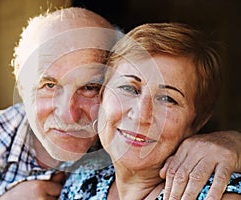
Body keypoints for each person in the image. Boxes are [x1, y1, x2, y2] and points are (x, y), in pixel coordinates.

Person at [0, 7, 240, 200]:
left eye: (89, 87)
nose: (68, 113)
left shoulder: (133, 141)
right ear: (20, 82)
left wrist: (232, 143)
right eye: (48, 85)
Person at [60, 23, 241, 199]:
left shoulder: (219, 194)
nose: (141, 115)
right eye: (129, 88)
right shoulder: (82, 178)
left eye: (167, 99)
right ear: (101, 95)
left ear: (197, 121)